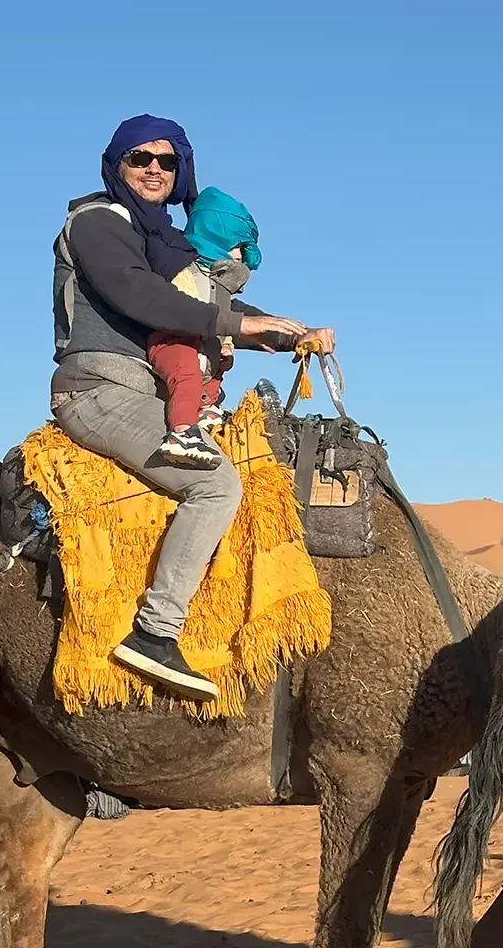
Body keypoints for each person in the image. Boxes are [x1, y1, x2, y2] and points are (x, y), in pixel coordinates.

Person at [50, 115, 334, 701]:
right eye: (140, 158)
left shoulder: (169, 245)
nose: (154, 169)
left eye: (167, 160)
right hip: (100, 392)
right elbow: (143, 296)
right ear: (116, 165)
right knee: (216, 486)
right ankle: (155, 632)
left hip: (152, 396)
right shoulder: (98, 223)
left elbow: (208, 300)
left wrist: (291, 334)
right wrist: (238, 323)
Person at [149, 186, 263, 468]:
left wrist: (225, 340)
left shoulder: (220, 283)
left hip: (200, 339)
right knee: (187, 373)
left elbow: (221, 316)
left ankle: (206, 407)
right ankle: (182, 431)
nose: (239, 255)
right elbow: (181, 308)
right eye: (236, 246)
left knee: (217, 364)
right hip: (172, 339)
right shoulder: (185, 271)